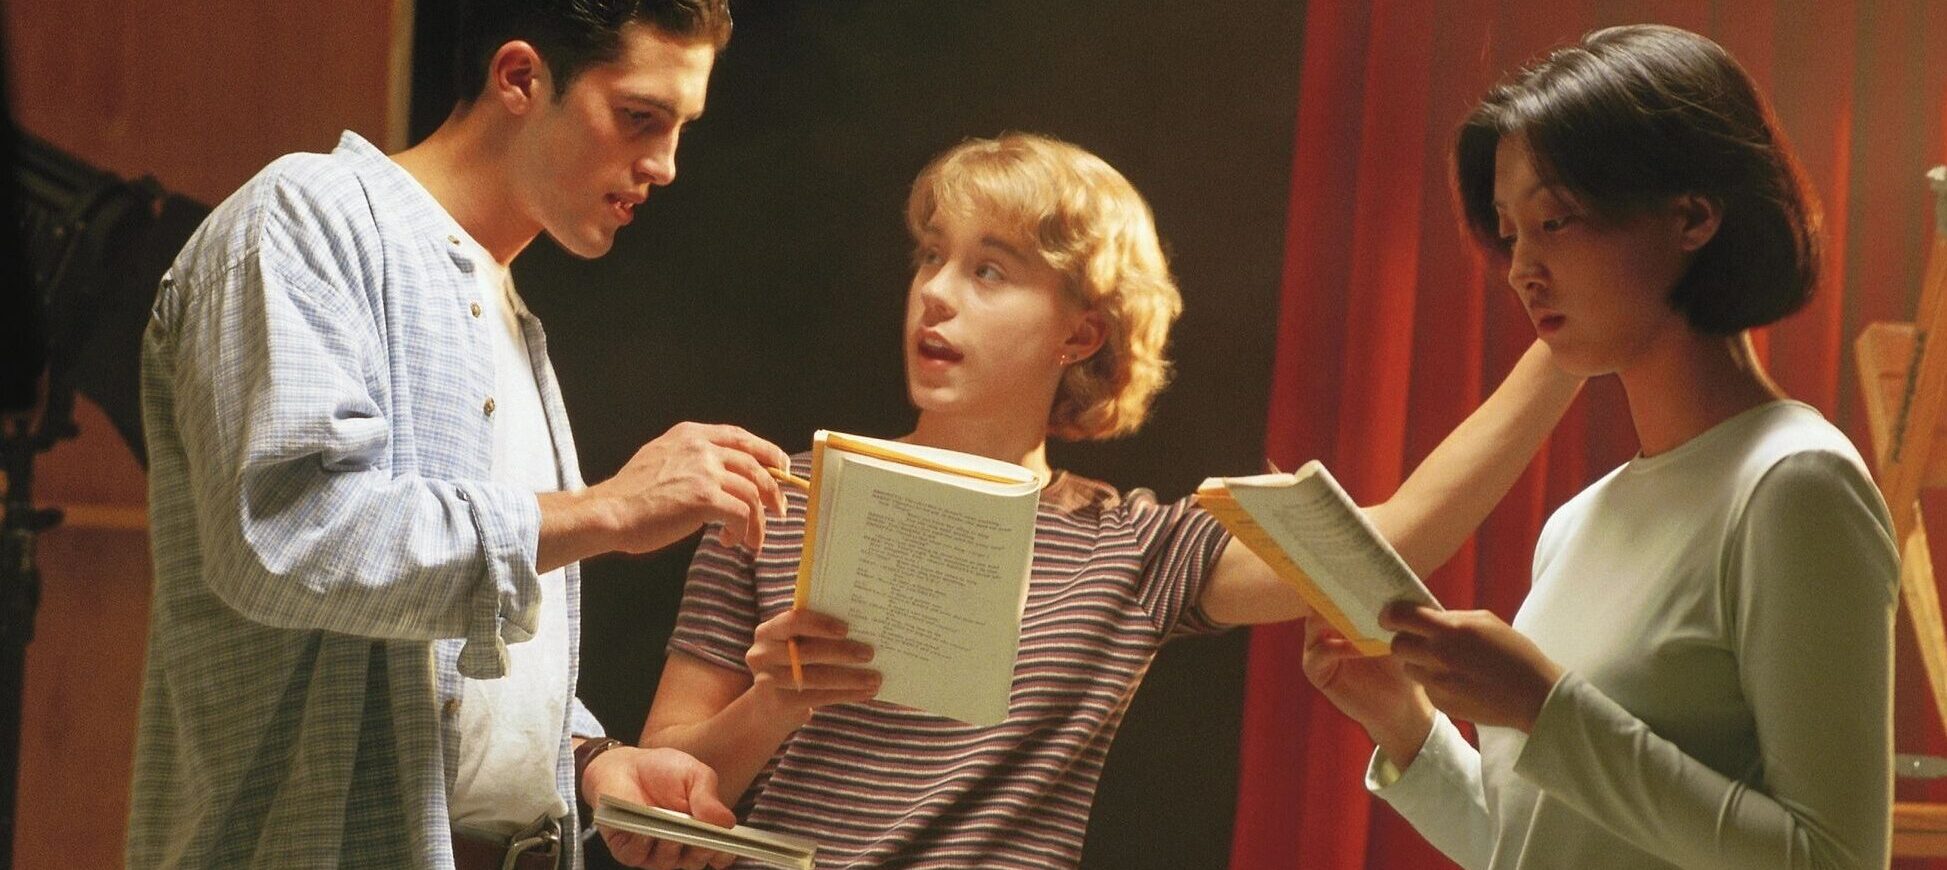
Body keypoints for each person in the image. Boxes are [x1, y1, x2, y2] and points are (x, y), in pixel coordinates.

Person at [639, 132, 1586, 867]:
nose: (935, 295)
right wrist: (774, 702)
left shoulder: (1131, 546)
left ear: (1080, 333)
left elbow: (1391, 541)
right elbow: (651, 806)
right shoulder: (779, 499)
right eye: (931, 257)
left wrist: (1570, 340)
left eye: (989, 270)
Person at [128, 2, 785, 868]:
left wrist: (590, 762)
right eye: (638, 117)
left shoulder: (510, 308)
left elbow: (450, 668)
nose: (663, 164)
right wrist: (608, 511)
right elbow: (288, 539)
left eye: (679, 128)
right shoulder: (307, 217)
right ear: (520, 78)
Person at [1302, 24, 1900, 870]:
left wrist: (1547, 711)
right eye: (1509, 233)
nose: (1521, 268)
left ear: (1691, 214)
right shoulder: (1577, 523)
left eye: (1556, 220)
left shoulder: (1793, 483)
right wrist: (1406, 723)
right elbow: (1545, 847)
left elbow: (1834, 860)